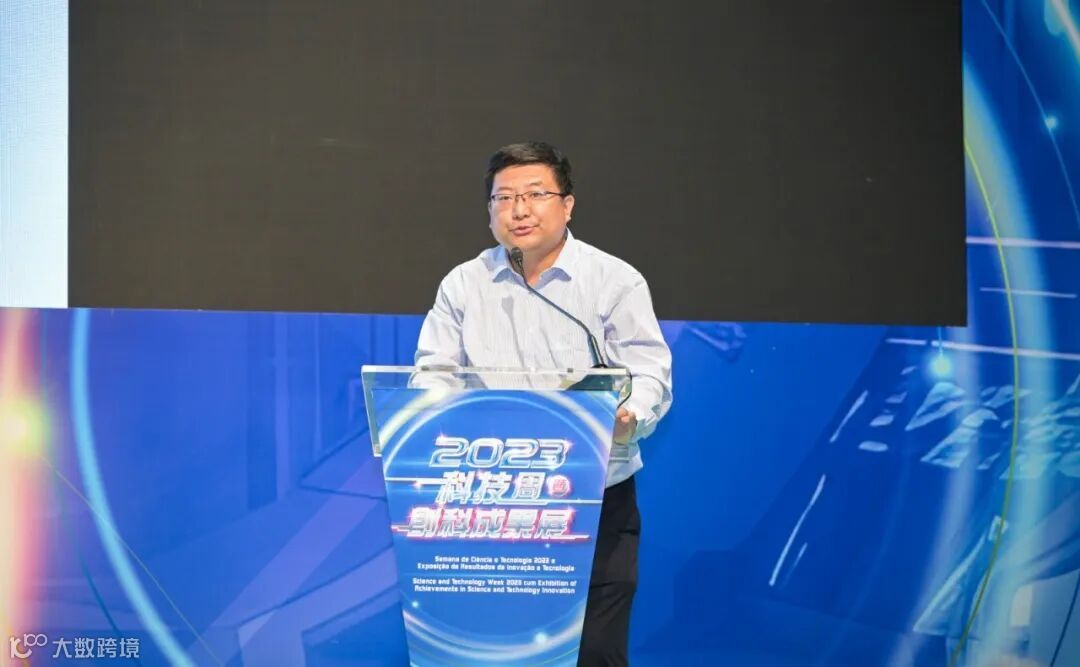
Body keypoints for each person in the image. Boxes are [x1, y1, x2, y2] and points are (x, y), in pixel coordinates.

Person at [415, 141, 673, 666]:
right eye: (504, 198)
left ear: (567, 205)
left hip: (595, 496)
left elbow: (649, 372)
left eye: (535, 194)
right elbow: (432, 375)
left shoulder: (614, 281)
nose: (519, 210)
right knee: (496, 649)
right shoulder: (464, 284)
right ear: (490, 210)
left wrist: (629, 418)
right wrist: (434, 415)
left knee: (595, 650)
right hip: (494, 500)